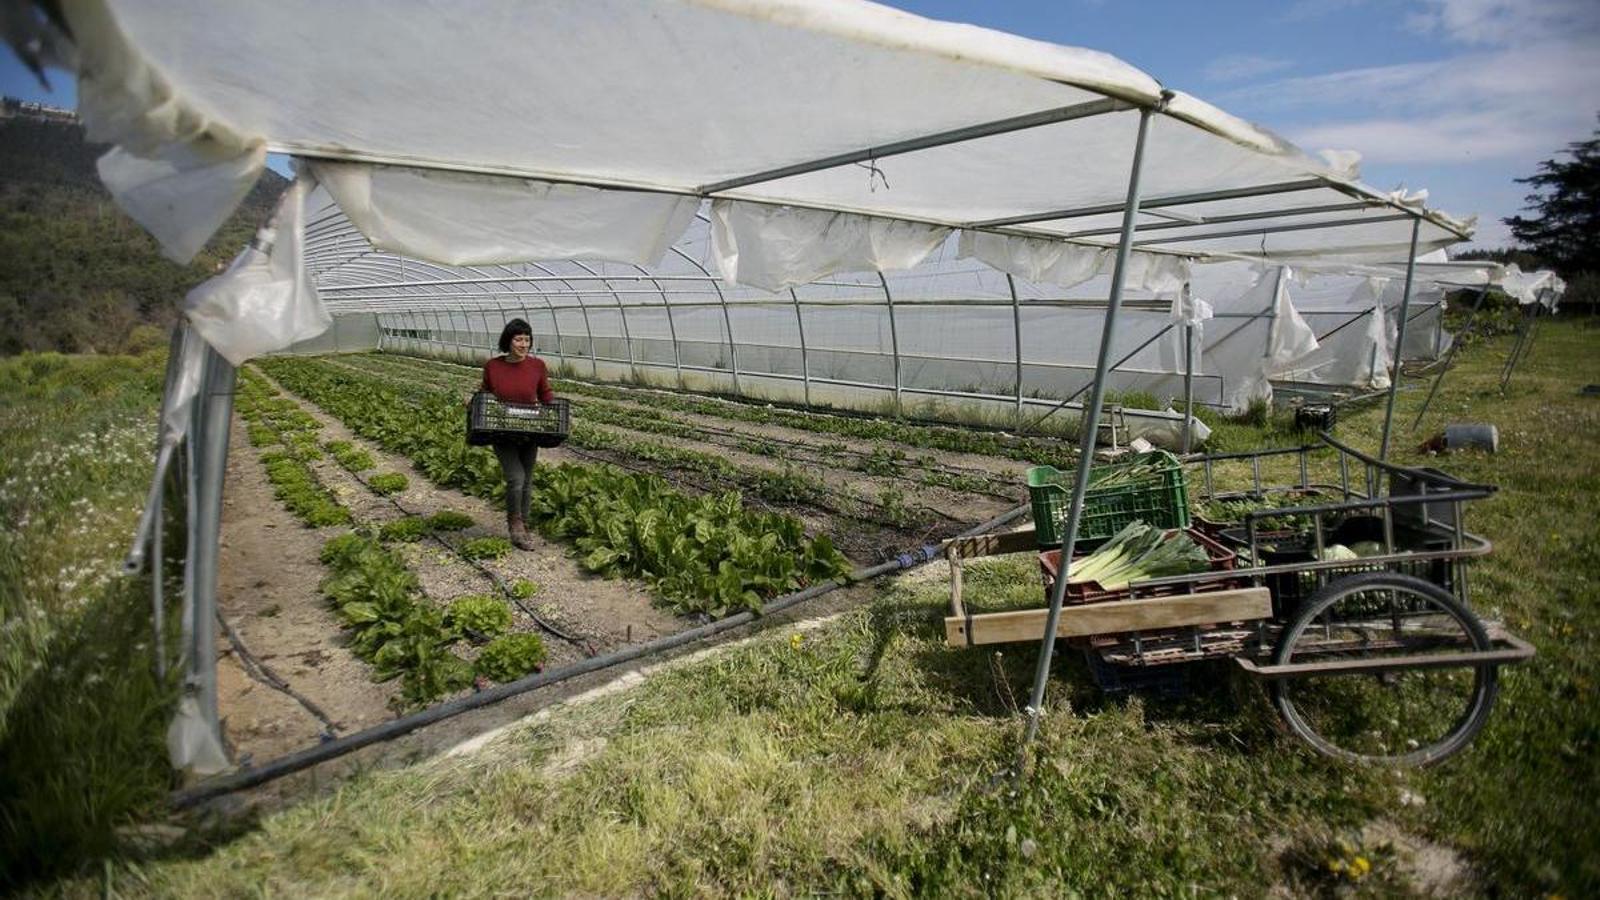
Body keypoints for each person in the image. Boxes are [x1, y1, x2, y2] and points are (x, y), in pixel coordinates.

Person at [477, 319, 554, 550]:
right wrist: (474, 403)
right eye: (518, 339)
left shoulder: (537, 366)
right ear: (508, 341)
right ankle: (515, 524)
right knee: (516, 478)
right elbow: (485, 393)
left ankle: (524, 525)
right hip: (502, 429)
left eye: (527, 340)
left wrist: (553, 410)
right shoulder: (493, 366)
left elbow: (545, 393)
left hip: (529, 429)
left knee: (527, 480)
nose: (524, 344)